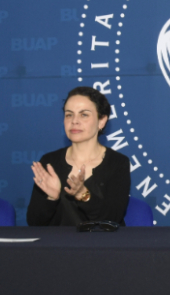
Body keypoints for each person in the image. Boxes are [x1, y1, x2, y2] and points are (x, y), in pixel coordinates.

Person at [26, 86, 131, 226]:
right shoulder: (50, 162)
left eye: (84, 115)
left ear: (102, 121)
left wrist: (84, 195)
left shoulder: (118, 163)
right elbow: (34, 223)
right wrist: (51, 198)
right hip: (58, 246)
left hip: (102, 246)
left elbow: (112, 218)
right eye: (69, 114)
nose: (74, 121)